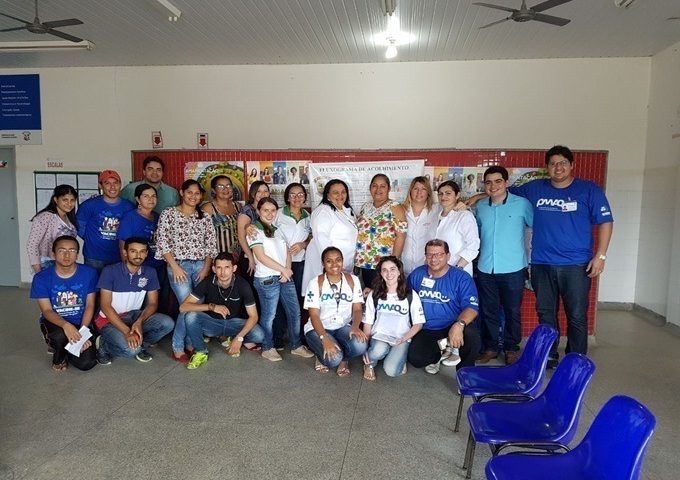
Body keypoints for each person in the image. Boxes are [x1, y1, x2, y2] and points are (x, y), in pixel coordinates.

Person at [475, 166, 533, 365]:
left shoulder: (522, 204)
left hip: (513, 268)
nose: (493, 186)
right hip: (486, 268)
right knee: (488, 310)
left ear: (506, 183)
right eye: (488, 182)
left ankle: (511, 348)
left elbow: (535, 228)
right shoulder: (481, 206)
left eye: (498, 181)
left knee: (512, 311)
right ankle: (490, 348)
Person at [155, 179, 218, 361]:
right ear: (182, 193)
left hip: (200, 266)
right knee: (186, 305)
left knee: (196, 307)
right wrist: (174, 267)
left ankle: (190, 343)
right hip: (178, 265)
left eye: (197, 193)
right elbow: (163, 242)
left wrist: (206, 268)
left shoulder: (204, 217)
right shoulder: (169, 214)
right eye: (189, 192)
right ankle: (177, 346)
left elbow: (210, 245)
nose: (193, 196)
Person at [248, 197, 314, 361]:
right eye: (265, 210)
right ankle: (267, 347)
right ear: (258, 211)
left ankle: (296, 345)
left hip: (284, 276)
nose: (269, 214)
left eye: (272, 210)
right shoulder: (254, 230)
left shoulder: (277, 229)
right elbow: (261, 257)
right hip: (266, 279)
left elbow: (287, 252)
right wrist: (283, 270)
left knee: (294, 312)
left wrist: (287, 271)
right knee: (269, 315)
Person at [178, 253, 265, 369]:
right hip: (213, 324)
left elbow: (254, 316)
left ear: (234, 268)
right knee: (190, 316)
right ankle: (201, 351)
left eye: (227, 267)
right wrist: (212, 307)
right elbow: (183, 307)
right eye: (219, 268)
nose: (223, 272)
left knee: (259, 335)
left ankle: (235, 339)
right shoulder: (208, 282)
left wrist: (239, 338)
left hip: (234, 324)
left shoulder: (242, 284)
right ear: (214, 269)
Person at [94, 237, 174, 364]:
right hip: (109, 320)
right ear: (125, 252)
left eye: (142, 251)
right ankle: (104, 344)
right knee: (131, 351)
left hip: (134, 316)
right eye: (133, 251)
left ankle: (140, 345)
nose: (138, 255)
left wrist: (139, 322)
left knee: (167, 323)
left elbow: (153, 304)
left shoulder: (150, 272)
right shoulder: (110, 271)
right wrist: (127, 332)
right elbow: (105, 306)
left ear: (146, 253)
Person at [407, 239, 481, 374]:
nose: (434, 259)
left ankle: (465, 373)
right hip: (427, 327)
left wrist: (459, 325)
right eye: (430, 254)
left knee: (471, 337)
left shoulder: (461, 277)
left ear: (448, 256)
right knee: (416, 359)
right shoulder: (417, 275)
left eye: (439, 254)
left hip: (453, 323)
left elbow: (472, 308)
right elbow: (404, 298)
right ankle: (441, 349)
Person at [30, 235, 98, 372]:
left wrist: (82, 333)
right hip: (56, 323)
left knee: (87, 363)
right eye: (62, 251)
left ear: (77, 254)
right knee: (59, 336)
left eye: (72, 250)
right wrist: (66, 325)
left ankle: (69, 348)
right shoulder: (41, 278)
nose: (67, 255)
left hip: (81, 323)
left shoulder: (89, 273)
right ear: (54, 254)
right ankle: (59, 352)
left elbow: (90, 305)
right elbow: (47, 311)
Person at [303, 247, 367, 376]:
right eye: (329, 261)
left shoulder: (352, 280)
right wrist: (324, 338)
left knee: (361, 344)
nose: (334, 264)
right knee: (333, 360)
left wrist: (355, 327)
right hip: (319, 328)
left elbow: (357, 309)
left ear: (343, 261)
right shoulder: (315, 283)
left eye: (338, 260)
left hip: (342, 326)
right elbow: (314, 315)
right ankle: (320, 354)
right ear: (323, 263)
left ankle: (344, 359)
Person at [362, 256, 425, 380]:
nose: (389, 273)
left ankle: (398, 356)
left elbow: (418, 324)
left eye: (392, 269)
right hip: (380, 336)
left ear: (399, 272)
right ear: (381, 273)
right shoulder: (374, 294)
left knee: (392, 371)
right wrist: (365, 348)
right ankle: (370, 364)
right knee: (377, 351)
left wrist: (403, 339)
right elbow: (368, 322)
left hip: (401, 338)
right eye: (384, 270)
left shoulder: (410, 295)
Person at [301, 179, 357, 293]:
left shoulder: (346, 210)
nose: (340, 195)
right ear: (327, 195)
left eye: (343, 192)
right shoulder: (323, 211)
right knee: (326, 295)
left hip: (343, 265)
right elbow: (322, 240)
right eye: (335, 192)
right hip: (330, 266)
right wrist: (332, 264)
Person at [76, 170, 135, 274]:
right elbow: (79, 226)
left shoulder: (129, 207)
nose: (112, 187)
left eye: (115, 183)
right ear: (100, 185)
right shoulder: (89, 205)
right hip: (94, 257)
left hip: (119, 256)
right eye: (107, 183)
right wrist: (92, 239)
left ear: (120, 185)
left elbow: (132, 230)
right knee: (93, 284)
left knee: (117, 284)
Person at [355, 174, 408, 288]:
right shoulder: (365, 207)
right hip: (365, 263)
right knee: (368, 294)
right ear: (370, 188)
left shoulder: (395, 207)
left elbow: (401, 236)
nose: (378, 189)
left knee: (383, 294)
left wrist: (392, 263)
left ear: (389, 189)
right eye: (375, 186)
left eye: (382, 186)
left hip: (384, 264)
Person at [27, 184, 78, 273]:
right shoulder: (46, 217)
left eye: (72, 200)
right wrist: (38, 271)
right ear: (56, 200)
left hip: (65, 263)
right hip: (47, 263)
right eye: (65, 200)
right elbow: (32, 245)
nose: (69, 204)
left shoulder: (69, 218)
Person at [435, 180, 480, 277]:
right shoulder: (436, 215)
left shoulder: (464, 216)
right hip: (436, 270)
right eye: (440, 194)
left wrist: (457, 268)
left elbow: (473, 245)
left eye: (448, 193)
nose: (443, 197)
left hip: (458, 271)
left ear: (457, 195)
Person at [401, 176, 440, 276]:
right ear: (410, 191)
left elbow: (453, 206)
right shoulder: (401, 210)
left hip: (427, 266)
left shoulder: (437, 209)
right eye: (416, 189)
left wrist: (461, 205)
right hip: (403, 265)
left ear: (428, 193)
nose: (419, 192)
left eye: (423, 189)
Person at [201, 175, 242, 261]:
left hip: (237, 256)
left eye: (228, 185)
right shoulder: (208, 208)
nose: (225, 189)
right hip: (217, 258)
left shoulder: (237, 206)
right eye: (220, 186)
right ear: (213, 190)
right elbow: (202, 236)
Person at [237, 180, 270, 279]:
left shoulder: (269, 209)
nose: (263, 194)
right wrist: (251, 258)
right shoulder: (247, 210)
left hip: (265, 255)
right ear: (252, 194)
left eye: (265, 191)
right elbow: (241, 238)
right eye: (259, 191)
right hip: (249, 256)